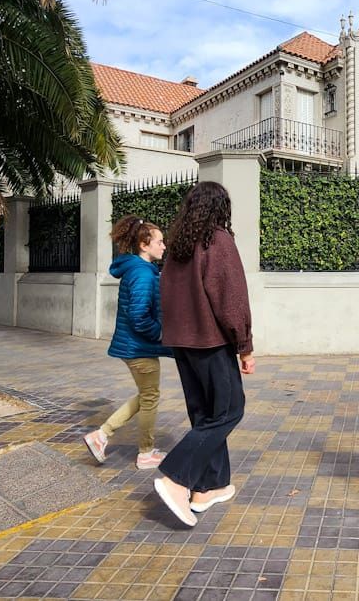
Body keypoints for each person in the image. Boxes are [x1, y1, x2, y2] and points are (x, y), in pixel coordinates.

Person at [152, 182, 254, 528]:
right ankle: (176, 477)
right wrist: (245, 345)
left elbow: (164, 294)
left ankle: (210, 487)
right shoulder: (217, 241)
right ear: (220, 208)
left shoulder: (179, 245)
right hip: (210, 342)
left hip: (182, 342)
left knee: (205, 415)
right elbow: (232, 299)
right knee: (229, 410)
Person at [83, 216, 174, 470]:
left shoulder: (137, 269)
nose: (164, 246)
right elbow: (139, 316)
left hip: (134, 346)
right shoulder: (143, 273)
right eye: (159, 241)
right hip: (138, 348)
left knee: (147, 394)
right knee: (150, 398)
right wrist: (159, 334)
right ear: (144, 245)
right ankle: (144, 452)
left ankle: (101, 435)